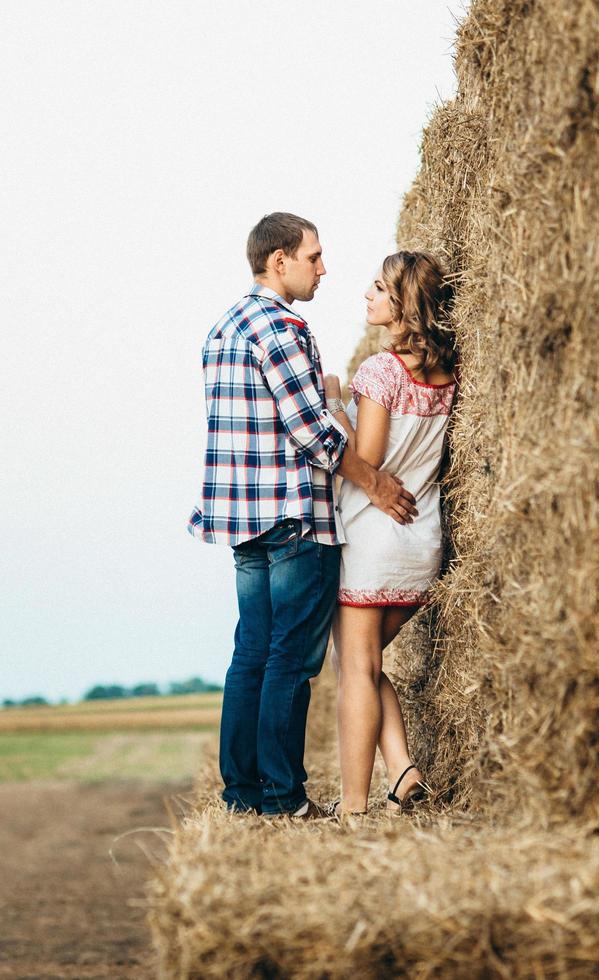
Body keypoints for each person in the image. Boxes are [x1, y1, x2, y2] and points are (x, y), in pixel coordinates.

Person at [189, 213, 417, 820]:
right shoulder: (284, 327)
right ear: (279, 260)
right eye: (313, 257)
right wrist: (378, 485)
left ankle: (242, 793)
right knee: (290, 659)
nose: (323, 268)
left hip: (240, 519)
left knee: (251, 654)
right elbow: (314, 433)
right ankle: (284, 797)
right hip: (294, 518)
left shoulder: (223, 327)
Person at [323, 250, 458, 816]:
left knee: (355, 669)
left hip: (372, 536)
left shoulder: (381, 372)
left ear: (403, 305)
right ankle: (402, 769)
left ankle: (353, 805)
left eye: (379, 289)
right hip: (421, 541)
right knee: (367, 664)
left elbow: (368, 458)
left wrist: (333, 403)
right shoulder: (448, 373)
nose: (368, 296)